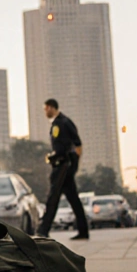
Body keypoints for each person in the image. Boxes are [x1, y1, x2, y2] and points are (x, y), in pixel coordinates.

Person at [35, 99, 89, 240]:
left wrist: (74, 165)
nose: (45, 111)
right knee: (73, 199)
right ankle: (83, 230)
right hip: (59, 164)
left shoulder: (64, 122)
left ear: (52, 107)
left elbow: (78, 145)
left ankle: (43, 229)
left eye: (46, 108)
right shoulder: (56, 123)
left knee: (53, 197)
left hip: (64, 166)